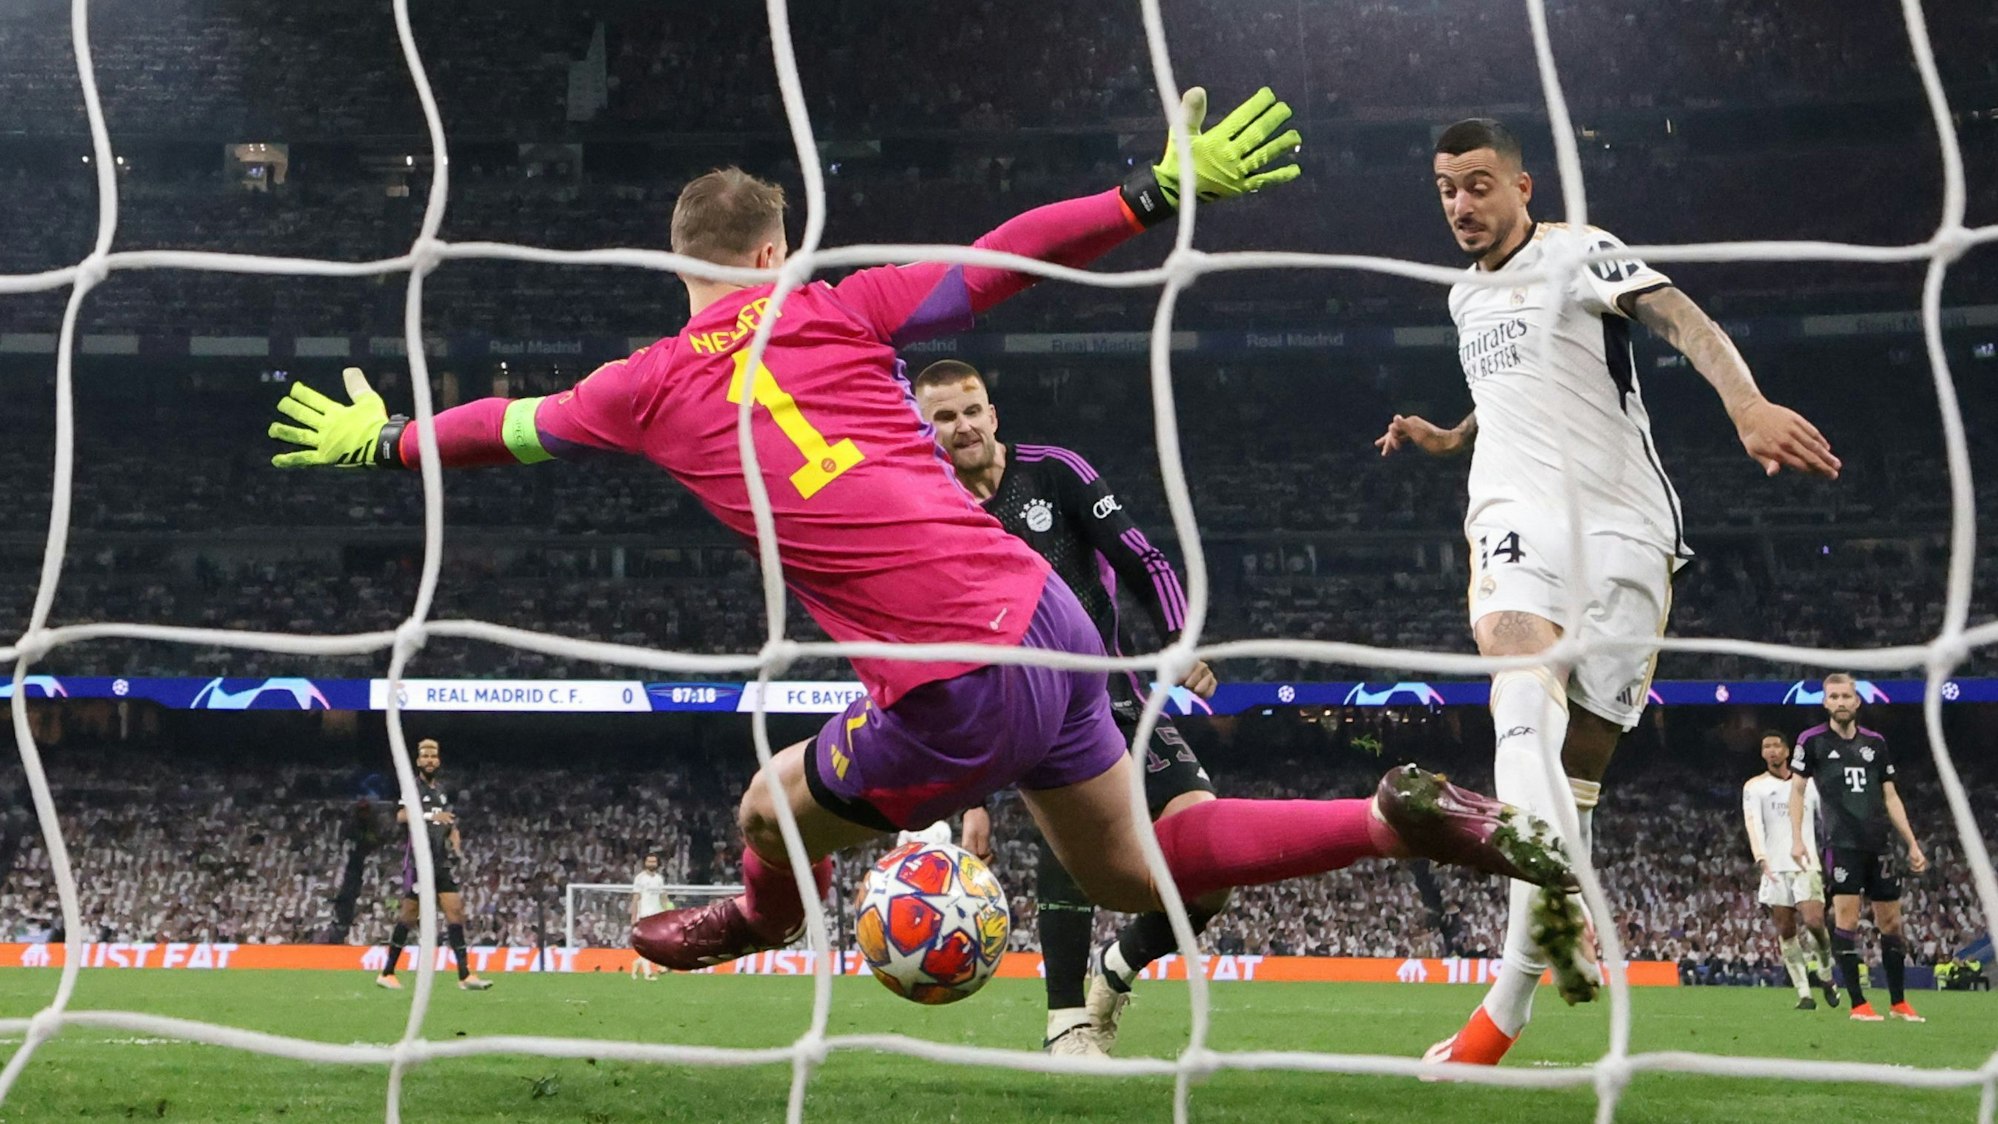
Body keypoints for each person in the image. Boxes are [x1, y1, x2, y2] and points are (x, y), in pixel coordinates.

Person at [268, 89, 1575, 987]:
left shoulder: (642, 387)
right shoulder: (837, 311)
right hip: (1045, 623)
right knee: (1129, 871)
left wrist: (385, 441)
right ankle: (1389, 816)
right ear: (777, 248)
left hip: (950, 672)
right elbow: (991, 263)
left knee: (769, 807)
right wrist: (1149, 188)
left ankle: (760, 925)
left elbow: (507, 425)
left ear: (679, 265)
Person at [1375, 118, 1840, 1067]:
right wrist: (1451, 439)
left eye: (1477, 184)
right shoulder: (1464, 299)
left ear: (1523, 187)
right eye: (1445, 190)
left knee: (1574, 776)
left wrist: (1744, 402)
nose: (1461, 205)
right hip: (1515, 514)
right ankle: (1551, 919)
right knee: (1516, 681)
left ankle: (1509, 1004)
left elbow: (1683, 319)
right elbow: (1510, 389)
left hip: (1627, 529)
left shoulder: (1581, 252)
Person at [914, 359, 1224, 1058]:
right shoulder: (935, 514)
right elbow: (948, 662)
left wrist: (1177, 640)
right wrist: (973, 796)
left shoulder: (1054, 471)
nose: (961, 427)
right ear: (924, 430)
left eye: (971, 410)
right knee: (1074, 847)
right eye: (943, 417)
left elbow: (1143, 559)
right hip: (1035, 720)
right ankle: (1065, 1025)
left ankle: (1115, 973)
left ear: (993, 414)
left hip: (1122, 698)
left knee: (1213, 876)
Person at [1790, 674, 1929, 1022]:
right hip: (1842, 844)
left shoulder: (1876, 743)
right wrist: (1796, 838)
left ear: (1857, 702)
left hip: (1879, 843)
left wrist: (1911, 842)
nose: (1840, 702)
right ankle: (1858, 1003)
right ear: (1824, 703)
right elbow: (1797, 791)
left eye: (1846, 696)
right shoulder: (1812, 741)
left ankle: (1898, 1003)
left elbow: (1890, 795)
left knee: (1892, 923)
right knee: (1847, 921)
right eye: (1833, 696)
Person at [376, 738, 493, 991]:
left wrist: (455, 839)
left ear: (438, 760)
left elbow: (449, 822)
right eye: (425, 756)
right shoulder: (413, 786)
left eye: (433, 755)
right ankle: (387, 973)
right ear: (418, 761)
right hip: (419, 862)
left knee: (456, 913)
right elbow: (401, 815)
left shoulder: (441, 790)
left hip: (440, 862)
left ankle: (465, 975)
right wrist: (430, 815)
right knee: (408, 917)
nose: (429, 760)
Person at [1742, 730, 1837, 1009]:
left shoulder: (1808, 784)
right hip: (1774, 866)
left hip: (1805, 863)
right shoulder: (1754, 786)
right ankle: (1805, 993)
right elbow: (1753, 822)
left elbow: (1826, 820)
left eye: (1776, 745)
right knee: (1785, 930)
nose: (1771, 751)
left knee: (1814, 922)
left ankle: (1825, 972)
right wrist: (1761, 857)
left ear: (1787, 751)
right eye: (1766, 746)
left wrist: (1833, 852)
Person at [630, 853, 672, 981]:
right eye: (649, 861)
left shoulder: (659, 879)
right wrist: (633, 916)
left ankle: (637, 963)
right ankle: (648, 974)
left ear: (657, 863)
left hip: (657, 914)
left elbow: (662, 896)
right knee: (647, 944)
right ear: (645, 863)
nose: (652, 864)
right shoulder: (640, 878)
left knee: (657, 944)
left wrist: (667, 912)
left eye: (654, 861)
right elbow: (635, 898)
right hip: (644, 915)